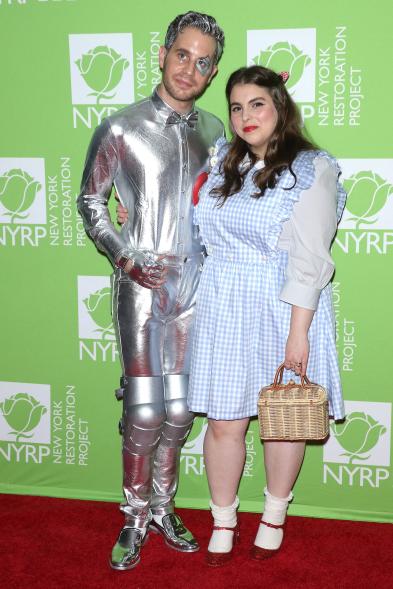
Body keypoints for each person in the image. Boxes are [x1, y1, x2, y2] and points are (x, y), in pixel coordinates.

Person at [77, 11, 225, 571]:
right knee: (144, 410)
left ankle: (164, 507)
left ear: (213, 73)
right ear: (163, 54)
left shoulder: (216, 131)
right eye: (183, 54)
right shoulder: (120, 127)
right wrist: (125, 255)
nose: (191, 68)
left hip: (197, 287)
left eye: (203, 61)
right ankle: (134, 515)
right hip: (141, 286)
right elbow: (91, 203)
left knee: (181, 411)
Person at [186, 65, 346, 566]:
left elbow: (311, 258)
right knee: (223, 423)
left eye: (257, 103)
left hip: (283, 307)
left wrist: (299, 335)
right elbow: (193, 221)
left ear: (280, 107)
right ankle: (223, 519)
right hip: (224, 303)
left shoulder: (311, 167)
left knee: (283, 422)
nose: (245, 116)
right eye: (236, 106)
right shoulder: (221, 159)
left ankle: (274, 513)